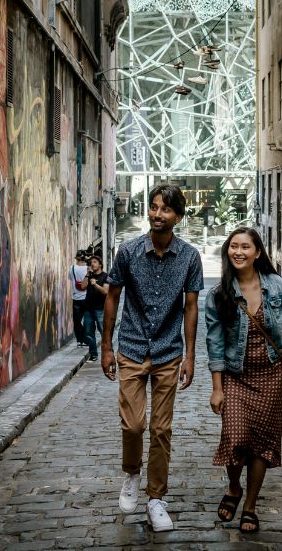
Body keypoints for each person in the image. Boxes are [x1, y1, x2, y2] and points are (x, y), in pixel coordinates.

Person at [205, 227, 282, 533]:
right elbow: (215, 343)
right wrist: (217, 388)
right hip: (235, 376)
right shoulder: (219, 294)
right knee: (236, 440)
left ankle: (250, 505)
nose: (238, 252)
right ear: (227, 251)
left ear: (257, 252)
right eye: (233, 246)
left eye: (245, 247)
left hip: (270, 376)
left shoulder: (275, 286)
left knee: (263, 445)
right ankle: (234, 488)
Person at [101, 183, 203, 532]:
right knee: (133, 424)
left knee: (161, 429)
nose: (157, 214)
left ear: (178, 216)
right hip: (130, 347)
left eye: (165, 209)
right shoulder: (128, 252)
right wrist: (105, 347)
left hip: (168, 352)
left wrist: (190, 356)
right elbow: (112, 297)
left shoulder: (189, 257)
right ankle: (131, 473)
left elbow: (191, 308)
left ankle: (156, 498)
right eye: (154, 207)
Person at [81, 255, 108, 361]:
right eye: (91, 262)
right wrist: (87, 275)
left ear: (100, 264)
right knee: (88, 333)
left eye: (95, 262)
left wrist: (95, 284)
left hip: (100, 309)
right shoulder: (89, 276)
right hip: (88, 309)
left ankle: (107, 353)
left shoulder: (105, 276)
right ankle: (93, 354)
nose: (92, 264)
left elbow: (106, 292)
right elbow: (83, 287)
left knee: (104, 333)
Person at [70, 251, 89, 349]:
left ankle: (79, 341)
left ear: (76, 258)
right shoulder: (88, 269)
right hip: (87, 298)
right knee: (87, 320)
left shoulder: (72, 268)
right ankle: (85, 339)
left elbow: (71, 279)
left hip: (76, 298)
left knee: (77, 321)